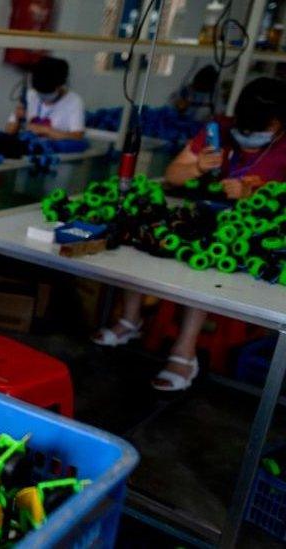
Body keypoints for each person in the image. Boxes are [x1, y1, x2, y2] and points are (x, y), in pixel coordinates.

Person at [95, 77, 286, 391]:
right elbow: (173, 173)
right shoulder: (219, 130)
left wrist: (254, 191)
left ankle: (184, 351)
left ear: (278, 125)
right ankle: (131, 320)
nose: (247, 137)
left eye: (258, 130)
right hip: (205, 214)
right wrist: (197, 167)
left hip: (253, 231)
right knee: (144, 232)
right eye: (244, 128)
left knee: (203, 257)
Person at [6, 56, 85, 140]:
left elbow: (77, 137)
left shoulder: (74, 101)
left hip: (53, 150)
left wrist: (46, 130)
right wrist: (17, 118)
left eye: (47, 93)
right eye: (39, 92)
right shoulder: (30, 95)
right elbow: (8, 132)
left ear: (60, 85)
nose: (42, 96)